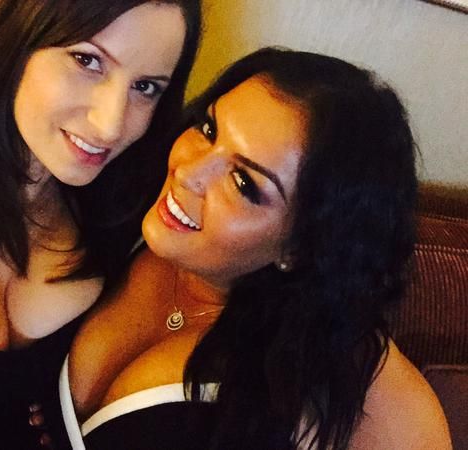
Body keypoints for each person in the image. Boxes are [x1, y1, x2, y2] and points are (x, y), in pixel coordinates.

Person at [63, 47, 452, 449]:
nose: (188, 172)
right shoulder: (115, 205)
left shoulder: (331, 375)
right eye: (209, 129)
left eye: (244, 182)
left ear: (300, 247)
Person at [0, 0, 201, 448]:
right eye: (88, 61)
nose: (110, 125)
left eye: (145, 87)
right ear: (18, 39)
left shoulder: (130, 223)